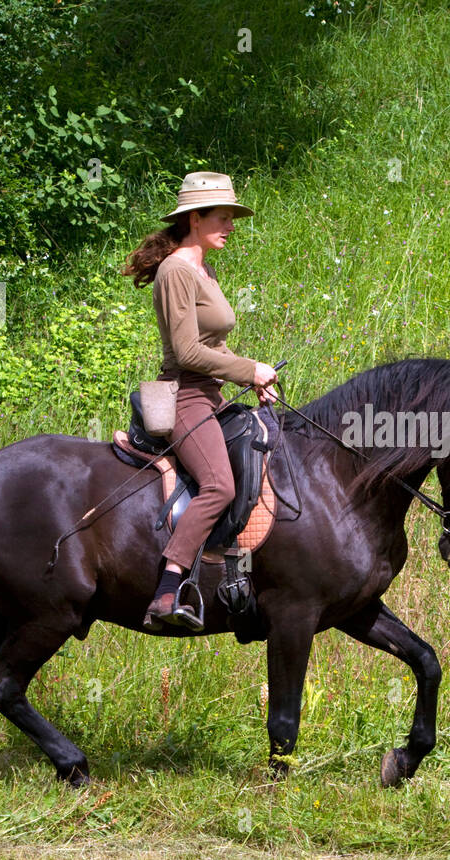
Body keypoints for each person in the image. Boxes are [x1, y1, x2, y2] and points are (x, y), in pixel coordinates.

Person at [120, 171, 279, 631]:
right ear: (194, 219)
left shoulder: (203, 268)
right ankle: (168, 589)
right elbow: (188, 352)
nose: (230, 225)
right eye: (222, 217)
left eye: (233, 217)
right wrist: (248, 369)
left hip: (211, 395)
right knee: (220, 486)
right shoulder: (175, 272)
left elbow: (214, 344)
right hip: (184, 397)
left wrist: (251, 376)